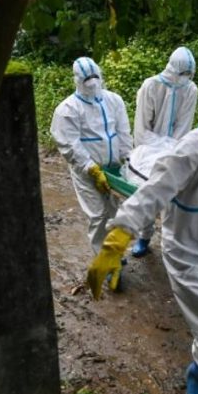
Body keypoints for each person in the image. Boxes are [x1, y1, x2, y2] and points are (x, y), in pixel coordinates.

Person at [86, 82, 198, 394]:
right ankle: (197, 373)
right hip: (190, 255)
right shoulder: (193, 149)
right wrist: (115, 242)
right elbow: (151, 194)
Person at [50, 56, 132, 256]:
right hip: (87, 172)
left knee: (116, 213)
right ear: (77, 80)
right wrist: (91, 168)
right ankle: (103, 258)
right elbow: (69, 144)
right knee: (97, 216)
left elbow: (123, 131)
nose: (92, 83)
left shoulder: (114, 100)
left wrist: (128, 158)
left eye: (95, 77)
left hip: (113, 169)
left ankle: (116, 254)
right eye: (87, 80)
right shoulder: (67, 110)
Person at [130, 46, 198, 257]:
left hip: (174, 148)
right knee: (148, 190)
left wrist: (172, 150)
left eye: (189, 74)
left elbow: (183, 127)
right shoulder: (151, 86)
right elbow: (141, 130)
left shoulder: (190, 90)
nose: (185, 78)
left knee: (175, 193)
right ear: (172, 69)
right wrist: (157, 148)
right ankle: (144, 236)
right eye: (182, 73)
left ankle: (173, 242)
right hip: (146, 150)